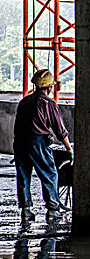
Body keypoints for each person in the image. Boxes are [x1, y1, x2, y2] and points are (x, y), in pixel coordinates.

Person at [13, 69, 73, 223]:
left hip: (20, 142)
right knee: (49, 173)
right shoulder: (49, 103)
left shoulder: (24, 102)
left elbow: (17, 126)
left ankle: (26, 211)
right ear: (49, 87)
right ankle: (53, 210)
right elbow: (60, 130)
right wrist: (69, 149)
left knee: (24, 175)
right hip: (38, 142)